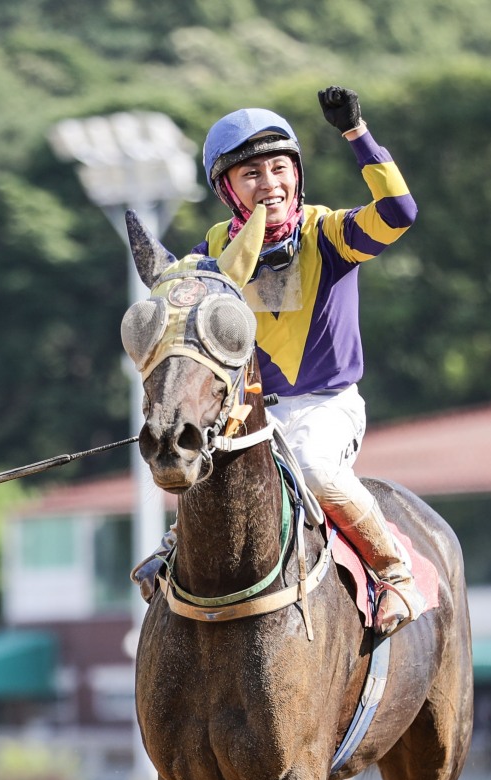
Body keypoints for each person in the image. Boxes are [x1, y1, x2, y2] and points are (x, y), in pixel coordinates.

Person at [133, 86, 424, 637]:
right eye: (251, 175)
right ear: (227, 190)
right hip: (251, 409)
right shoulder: (215, 249)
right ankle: (177, 546)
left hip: (326, 406)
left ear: (297, 173)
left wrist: (355, 134)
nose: (269, 184)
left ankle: (394, 571)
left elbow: (399, 211)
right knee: (199, 459)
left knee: (313, 468)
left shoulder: (330, 232)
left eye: (278, 168)